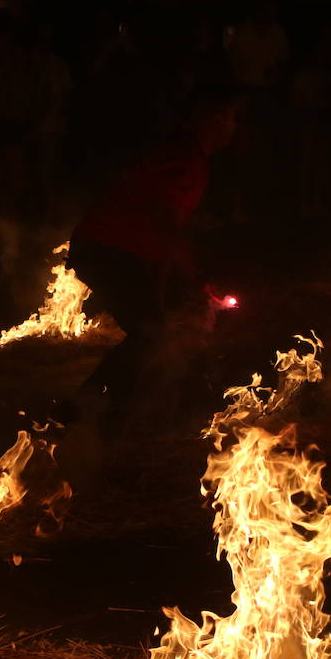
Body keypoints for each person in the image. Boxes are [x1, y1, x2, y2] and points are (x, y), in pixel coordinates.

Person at [62, 85, 243, 442]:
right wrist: (195, 278)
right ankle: (81, 412)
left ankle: (115, 410)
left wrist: (159, 291)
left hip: (115, 250)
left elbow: (161, 238)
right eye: (232, 118)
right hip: (106, 247)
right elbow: (164, 223)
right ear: (213, 119)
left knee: (152, 331)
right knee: (149, 334)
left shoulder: (189, 158)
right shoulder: (185, 159)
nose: (236, 126)